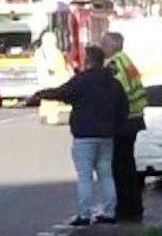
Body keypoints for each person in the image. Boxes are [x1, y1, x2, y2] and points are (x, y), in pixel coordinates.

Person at [27, 45, 128, 226]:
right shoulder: (113, 83)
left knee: (85, 176)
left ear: (87, 60)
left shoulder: (82, 81)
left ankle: (84, 214)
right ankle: (110, 212)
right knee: (106, 174)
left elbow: (61, 93)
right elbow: (123, 109)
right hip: (106, 136)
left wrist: (39, 95)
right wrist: (115, 127)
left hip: (84, 135)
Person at [102, 32, 148, 221]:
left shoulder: (113, 64)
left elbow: (115, 94)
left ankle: (124, 209)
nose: (102, 47)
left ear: (113, 45)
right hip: (135, 118)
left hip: (123, 121)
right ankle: (134, 208)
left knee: (120, 168)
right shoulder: (127, 61)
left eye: (104, 44)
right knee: (128, 166)